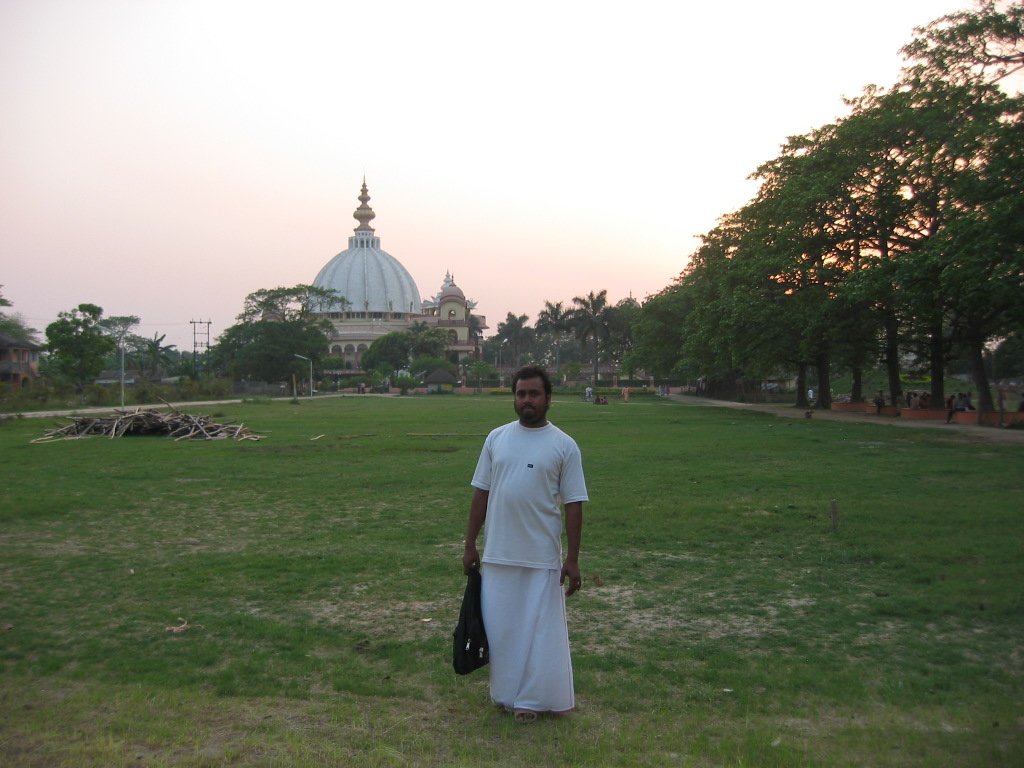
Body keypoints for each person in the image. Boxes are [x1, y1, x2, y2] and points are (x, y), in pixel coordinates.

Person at [462, 365, 588, 723]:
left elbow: (574, 503)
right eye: (521, 394)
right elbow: (480, 493)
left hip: (542, 557)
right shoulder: (496, 438)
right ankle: (505, 694)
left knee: (540, 632)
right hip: (498, 553)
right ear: (514, 398)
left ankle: (531, 701)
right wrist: (470, 544)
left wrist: (573, 558)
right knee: (502, 628)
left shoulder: (564, 445)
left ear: (548, 398)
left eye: (534, 394)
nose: (527, 400)